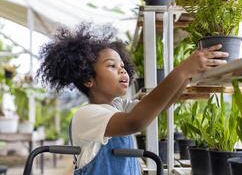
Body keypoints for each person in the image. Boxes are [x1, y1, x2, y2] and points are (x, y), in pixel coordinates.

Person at [37, 23, 228, 175]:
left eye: (122, 66)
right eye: (111, 66)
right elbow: (135, 121)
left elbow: (160, 105)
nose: (122, 70)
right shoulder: (87, 115)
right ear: (88, 78)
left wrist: (188, 76)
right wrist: (182, 70)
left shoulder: (118, 106)